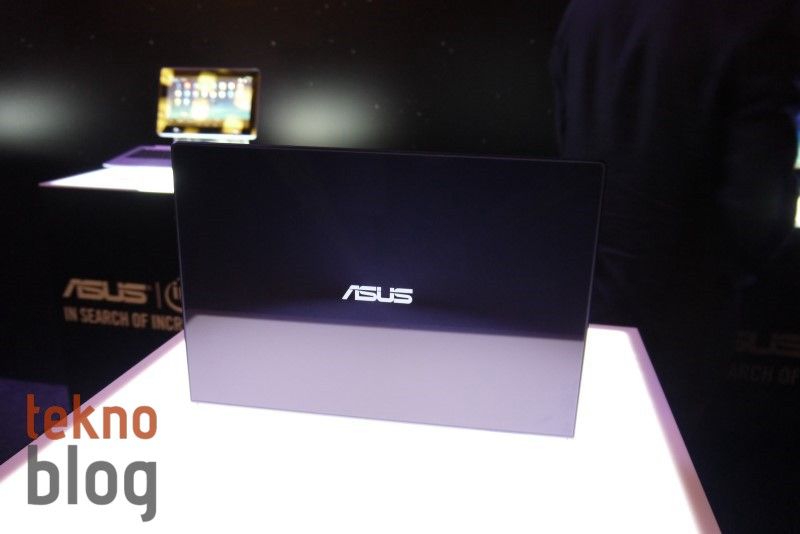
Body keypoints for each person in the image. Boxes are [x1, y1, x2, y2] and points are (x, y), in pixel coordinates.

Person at [550, 1, 799, 529]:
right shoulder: (758, 16)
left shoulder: (586, 10)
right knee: (675, 493)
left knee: (592, 487)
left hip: (587, 290)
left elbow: (566, 137)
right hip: (688, 305)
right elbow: (758, 206)